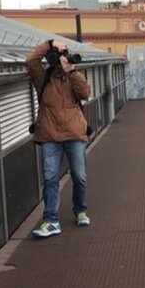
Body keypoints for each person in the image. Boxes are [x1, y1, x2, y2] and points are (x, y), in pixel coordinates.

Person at [26, 39, 92, 238]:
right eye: (55, 57)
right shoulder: (43, 77)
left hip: (74, 133)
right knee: (50, 178)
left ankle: (80, 210)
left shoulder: (73, 75)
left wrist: (71, 70)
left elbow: (85, 94)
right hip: (49, 134)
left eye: (61, 56)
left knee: (79, 176)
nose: (58, 61)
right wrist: (50, 43)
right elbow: (31, 61)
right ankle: (51, 220)